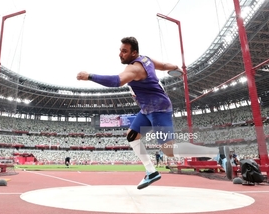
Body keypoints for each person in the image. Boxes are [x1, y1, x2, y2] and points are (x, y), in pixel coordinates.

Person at [77, 36, 232, 189]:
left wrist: (90, 76)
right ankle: (151, 171)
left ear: (134, 53)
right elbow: (163, 65)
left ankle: (216, 153)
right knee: (132, 135)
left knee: (169, 150)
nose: (120, 54)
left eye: (124, 51)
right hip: (147, 109)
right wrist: (174, 67)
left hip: (159, 109)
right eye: (120, 50)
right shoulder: (146, 59)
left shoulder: (134, 68)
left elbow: (116, 81)